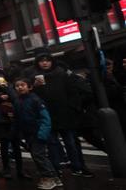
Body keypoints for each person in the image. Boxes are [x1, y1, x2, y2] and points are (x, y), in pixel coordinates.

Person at [28, 49, 94, 178]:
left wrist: (73, 108)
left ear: (52, 61)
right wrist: (34, 86)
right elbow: (32, 97)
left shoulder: (61, 74)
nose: (45, 63)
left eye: (47, 60)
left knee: (70, 142)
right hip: (47, 116)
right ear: (37, 63)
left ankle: (77, 167)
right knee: (52, 144)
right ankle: (56, 168)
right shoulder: (34, 77)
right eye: (42, 61)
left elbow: (72, 92)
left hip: (65, 114)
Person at [13, 79, 57, 189]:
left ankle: (49, 178)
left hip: (38, 132)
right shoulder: (18, 101)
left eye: (22, 85)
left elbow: (45, 118)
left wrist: (42, 134)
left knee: (38, 156)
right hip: (28, 134)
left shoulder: (35, 100)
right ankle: (54, 177)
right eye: (17, 86)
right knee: (38, 155)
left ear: (30, 87)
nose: (20, 87)